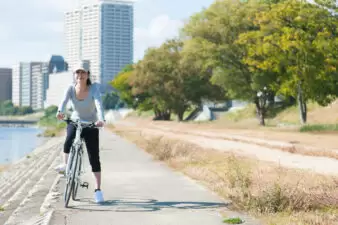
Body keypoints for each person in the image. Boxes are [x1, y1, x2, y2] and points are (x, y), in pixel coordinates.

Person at [55, 64, 105, 203]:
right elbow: (63, 102)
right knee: (68, 141)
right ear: (74, 75)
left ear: (87, 74)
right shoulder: (70, 88)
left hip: (91, 124)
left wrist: (101, 119)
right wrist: (60, 112)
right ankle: (66, 166)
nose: (80, 75)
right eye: (78, 72)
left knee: (93, 157)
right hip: (75, 121)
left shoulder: (94, 88)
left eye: (83, 72)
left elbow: (99, 104)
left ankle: (98, 190)